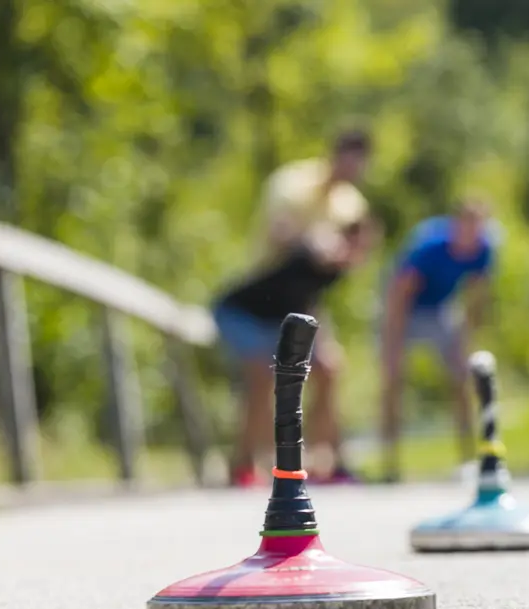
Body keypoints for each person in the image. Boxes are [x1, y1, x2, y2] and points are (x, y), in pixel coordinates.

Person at [211, 129, 376, 487]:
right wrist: (312, 241)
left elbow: (357, 252)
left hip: (300, 303)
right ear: (335, 155)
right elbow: (278, 231)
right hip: (255, 302)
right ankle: (243, 464)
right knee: (261, 373)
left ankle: (324, 463)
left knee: (329, 369)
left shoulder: (352, 203)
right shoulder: (292, 183)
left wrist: (347, 254)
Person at [379, 199, 498, 483]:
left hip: (440, 310)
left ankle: (470, 459)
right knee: (393, 380)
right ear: (456, 225)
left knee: (462, 377)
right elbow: (399, 295)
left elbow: (476, 295)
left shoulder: (484, 250)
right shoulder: (430, 249)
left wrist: (466, 337)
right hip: (404, 309)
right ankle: (390, 463)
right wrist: (393, 345)